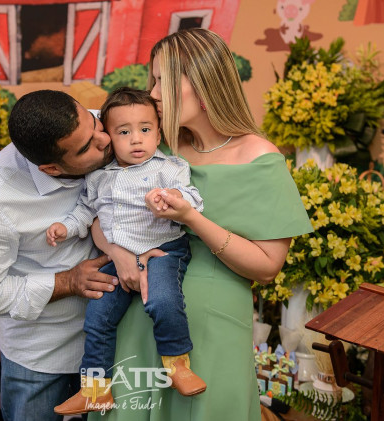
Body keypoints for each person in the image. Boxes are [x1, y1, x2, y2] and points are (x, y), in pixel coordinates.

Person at [88, 28, 313, 421]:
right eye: (153, 80)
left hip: (211, 328)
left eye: (163, 81)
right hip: (137, 318)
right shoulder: (154, 144)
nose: (153, 93)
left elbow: (267, 267)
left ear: (205, 84)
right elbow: (99, 207)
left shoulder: (259, 158)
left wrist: (191, 217)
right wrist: (117, 253)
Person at [0, 90, 136, 421]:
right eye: (86, 148)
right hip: (42, 356)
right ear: (51, 168)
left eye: (94, 122)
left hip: (121, 342)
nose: (104, 139)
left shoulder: (105, 125)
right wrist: (68, 281)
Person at [48, 88, 206, 416]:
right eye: (123, 132)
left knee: (162, 300)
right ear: (108, 137)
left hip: (163, 249)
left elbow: (192, 197)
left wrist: (172, 198)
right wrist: (65, 227)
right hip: (118, 257)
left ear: (158, 133)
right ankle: (95, 390)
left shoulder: (169, 167)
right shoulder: (98, 178)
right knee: (97, 316)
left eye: (145, 129)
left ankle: (177, 364)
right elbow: (85, 212)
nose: (136, 139)